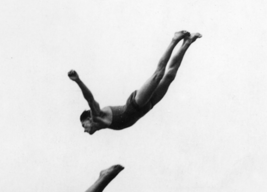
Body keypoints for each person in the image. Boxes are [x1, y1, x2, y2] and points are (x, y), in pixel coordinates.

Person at [68, 30, 202, 135]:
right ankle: (187, 42)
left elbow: (90, 99)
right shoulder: (102, 124)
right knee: (169, 76)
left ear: (89, 119)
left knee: (158, 75)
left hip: (135, 104)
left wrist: (78, 80)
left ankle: (174, 40)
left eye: (83, 125)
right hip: (147, 106)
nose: (84, 130)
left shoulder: (97, 115)